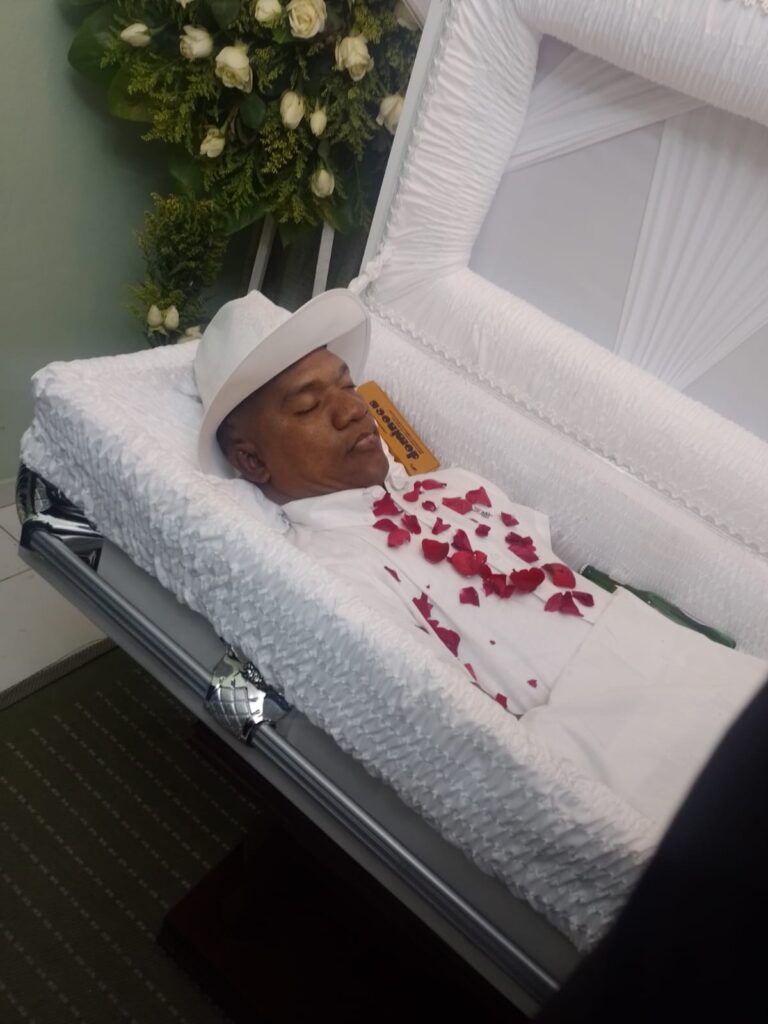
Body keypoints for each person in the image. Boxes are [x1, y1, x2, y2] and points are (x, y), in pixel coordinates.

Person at [194, 288, 767, 827]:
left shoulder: (453, 484)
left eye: (348, 385)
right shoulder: (330, 576)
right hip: (615, 745)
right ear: (252, 462)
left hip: (676, 660)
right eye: (309, 406)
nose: (352, 410)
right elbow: (459, 731)